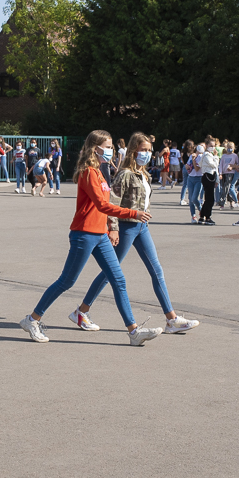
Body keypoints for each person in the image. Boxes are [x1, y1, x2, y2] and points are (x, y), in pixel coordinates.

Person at [20, 130, 162, 346]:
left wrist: (110, 228)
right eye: (108, 147)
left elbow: (104, 207)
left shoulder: (99, 172)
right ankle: (32, 320)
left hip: (100, 235)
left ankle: (134, 332)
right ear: (96, 149)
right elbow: (102, 205)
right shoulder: (87, 172)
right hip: (84, 234)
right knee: (67, 281)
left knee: (118, 280)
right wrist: (133, 213)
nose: (112, 151)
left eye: (112, 146)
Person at [71, 133, 201, 335]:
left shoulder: (144, 174)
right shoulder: (124, 174)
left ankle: (172, 319)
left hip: (142, 227)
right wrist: (113, 228)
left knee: (156, 270)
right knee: (110, 273)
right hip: (126, 227)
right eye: (143, 150)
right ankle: (82, 310)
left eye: (149, 150)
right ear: (133, 151)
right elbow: (111, 203)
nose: (147, 154)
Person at [198, 140, 220, 225]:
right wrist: (216, 156)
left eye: (214, 146)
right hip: (208, 176)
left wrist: (217, 180)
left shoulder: (209, 155)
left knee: (208, 198)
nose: (213, 147)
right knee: (210, 199)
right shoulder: (206, 155)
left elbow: (215, 169)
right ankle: (207, 217)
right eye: (211, 145)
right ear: (207, 146)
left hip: (212, 176)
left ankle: (202, 216)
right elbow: (214, 165)